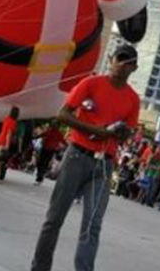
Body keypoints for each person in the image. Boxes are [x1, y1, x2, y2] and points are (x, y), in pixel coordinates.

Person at [30, 44, 140, 271]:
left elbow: (128, 131)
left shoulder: (133, 99)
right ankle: (40, 267)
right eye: (119, 59)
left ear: (134, 68)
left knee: (92, 224)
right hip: (77, 156)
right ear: (110, 60)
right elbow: (63, 114)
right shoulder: (91, 84)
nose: (122, 65)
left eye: (128, 62)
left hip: (104, 164)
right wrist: (96, 130)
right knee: (55, 218)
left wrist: (121, 132)